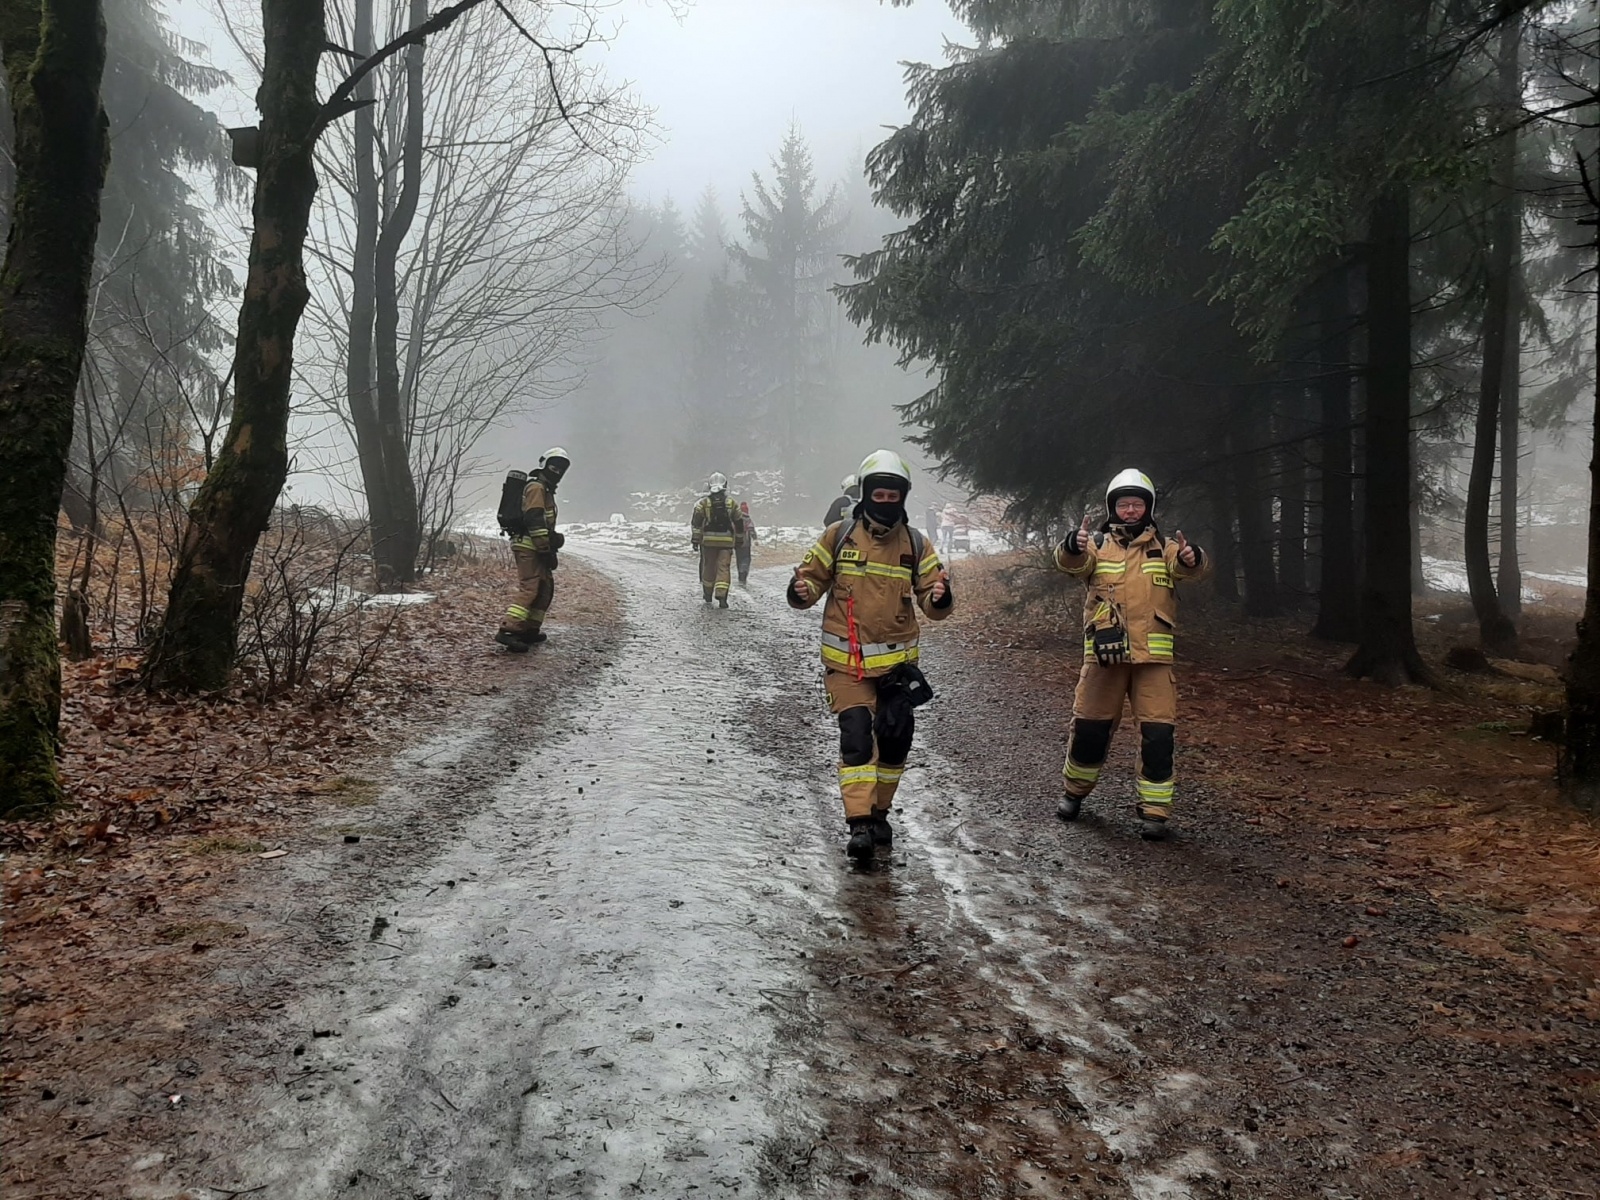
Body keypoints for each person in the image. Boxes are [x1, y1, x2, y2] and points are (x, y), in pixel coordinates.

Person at [788, 449, 952, 863]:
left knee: (895, 742)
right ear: (864, 495)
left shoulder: (916, 544)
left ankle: (880, 812)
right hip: (848, 666)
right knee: (858, 738)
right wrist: (801, 591)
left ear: (903, 497)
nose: (885, 502)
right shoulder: (838, 536)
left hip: (897, 668)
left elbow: (935, 603)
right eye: (877, 494)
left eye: (892, 495)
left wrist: (940, 597)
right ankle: (859, 823)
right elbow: (809, 582)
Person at [1053, 468, 1210, 840]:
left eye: (1137, 503)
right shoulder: (1096, 545)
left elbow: (1191, 570)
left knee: (1158, 736)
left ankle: (1155, 812)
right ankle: (1074, 794)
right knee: (1089, 730)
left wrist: (1192, 557)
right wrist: (1072, 546)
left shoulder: (1166, 547)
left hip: (1153, 664)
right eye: (1123, 504)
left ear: (1148, 508)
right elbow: (1071, 564)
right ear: (1112, 508)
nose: (1130, 510)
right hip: (1103, 660)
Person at [495, 447, 570, 651]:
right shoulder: (536, 487)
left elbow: (543, 523)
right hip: (529, 545)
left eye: (562, 468)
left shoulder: (545, 489)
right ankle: (509, 630)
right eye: (554, 466)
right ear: (544, 465)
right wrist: (546, 549)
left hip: (537, 545)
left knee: (545, 589)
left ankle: (528, 630)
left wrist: (551, 542)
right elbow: (534, 519)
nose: (558, 472)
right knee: (531, 587)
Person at [690, 473, 748, 607]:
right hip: (726, 542)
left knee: (709, 567)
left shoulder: (703, 504)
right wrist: (739, 540)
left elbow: (696, 524)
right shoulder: (731, 503)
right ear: (725, 486)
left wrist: (695, 540)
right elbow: (739, 522)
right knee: (723, 568)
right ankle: (722, 596)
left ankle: (708, 593)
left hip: (708, 542)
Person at [736, 500, 757, 585]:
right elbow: (751, 529)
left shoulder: (736, 518)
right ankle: (743, 576)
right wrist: (755, 538)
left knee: (739, 559)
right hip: (746, 543)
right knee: (746, 559)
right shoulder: (748, 519)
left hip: (737, 543)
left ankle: (740, 576)